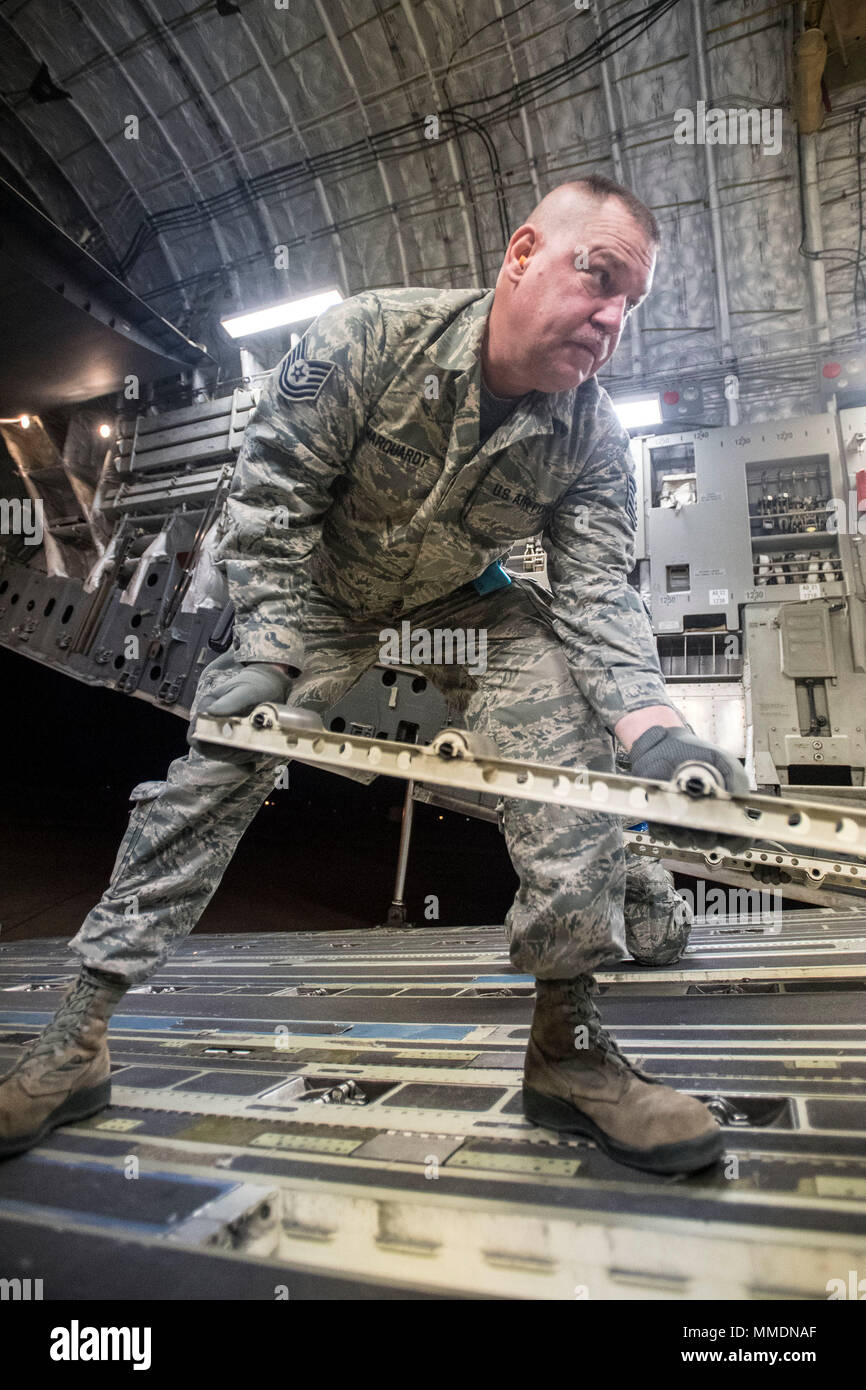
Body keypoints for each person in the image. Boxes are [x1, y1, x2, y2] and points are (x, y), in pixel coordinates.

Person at [0, 175, 750, 1173]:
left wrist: (651, 728)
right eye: (596, 274)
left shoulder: (589, 438)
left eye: (630, 302)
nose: (612, 314)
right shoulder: (367, 340)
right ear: (521, 254)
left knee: (568, 737)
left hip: (460, 610)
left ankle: (568, 1050)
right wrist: (265, 646)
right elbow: (269, 500)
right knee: (220, 764)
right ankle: (76, 1038)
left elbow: (596, 595)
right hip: (320, 604)